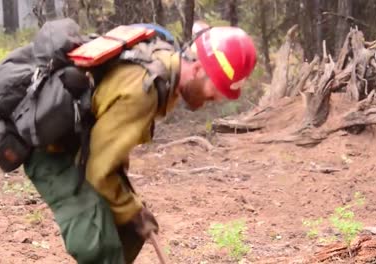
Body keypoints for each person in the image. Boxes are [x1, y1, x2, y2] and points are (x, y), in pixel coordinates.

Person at [23, 22, 257, 264]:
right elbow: (98, 171)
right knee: (98, 245)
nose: (217, 99)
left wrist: (133, 213)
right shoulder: (144, 90)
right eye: (217, 89)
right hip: (49, 148)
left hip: (82, 142)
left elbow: (111, 143)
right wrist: (134, 210)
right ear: (198, 69)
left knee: (131, 232)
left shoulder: (166, 68)